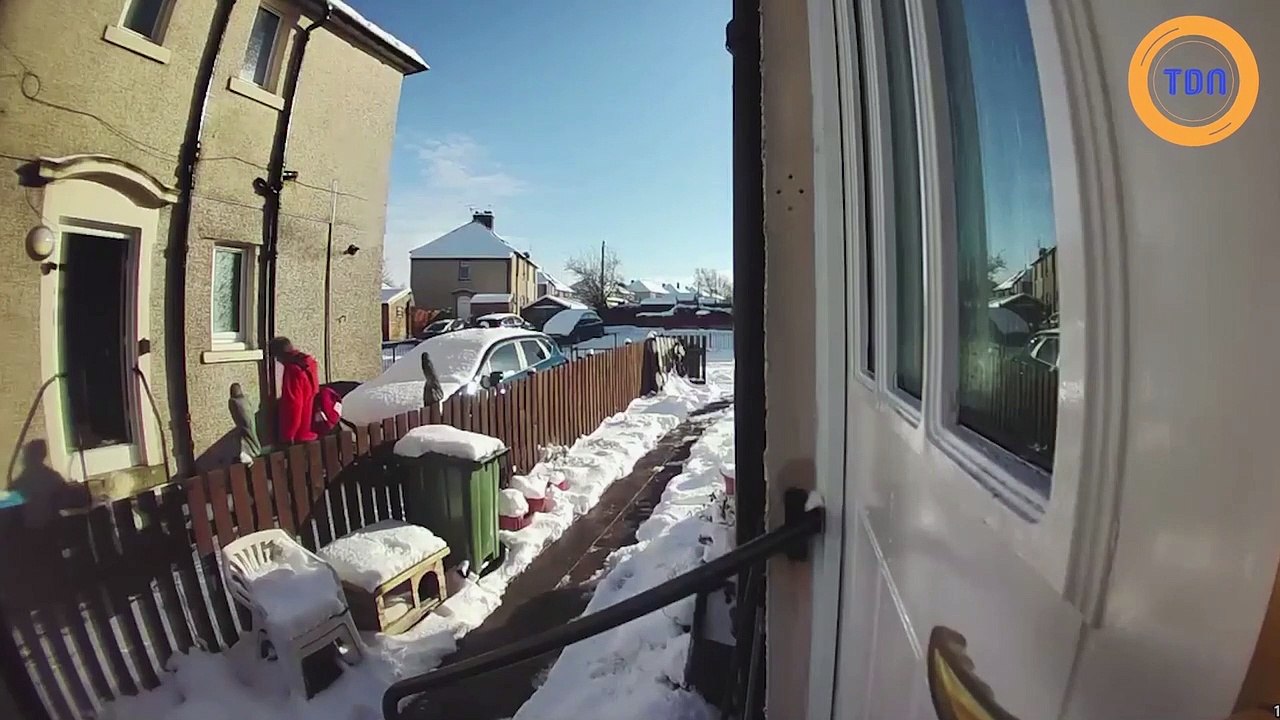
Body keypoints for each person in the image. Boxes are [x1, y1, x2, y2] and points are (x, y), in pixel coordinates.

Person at [269, 336, 319, 445]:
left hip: (297, 437)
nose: (278, 361)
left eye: (277, 357)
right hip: (308, 431)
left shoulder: (293, 370)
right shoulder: (308, 364)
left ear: (281, 355)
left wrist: (289, 435)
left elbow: (293, 405)